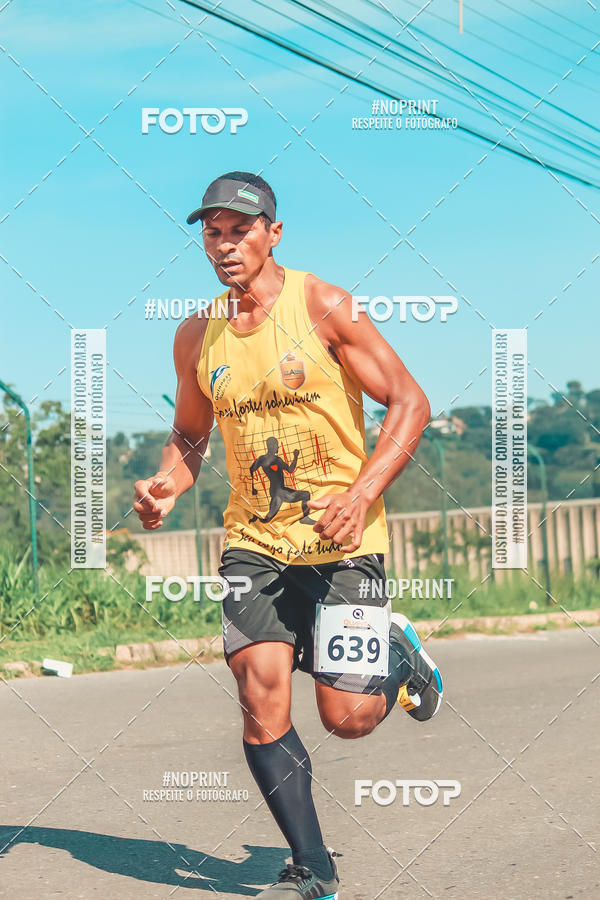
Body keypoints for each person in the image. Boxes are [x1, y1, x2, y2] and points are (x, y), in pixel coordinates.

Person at [134, 171, 443, 899]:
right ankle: (314, 862)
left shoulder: (324, 306)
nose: (224, 243)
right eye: (212, 232)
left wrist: (363, 490)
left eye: (240, 229)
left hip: (342, 543)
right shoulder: (197, 334)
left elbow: (410, 401)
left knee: (348, 719)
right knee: (260, 690)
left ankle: (400, 661)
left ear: (273, 232)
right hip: (255, 541)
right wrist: (165, 487)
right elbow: (189, 433)